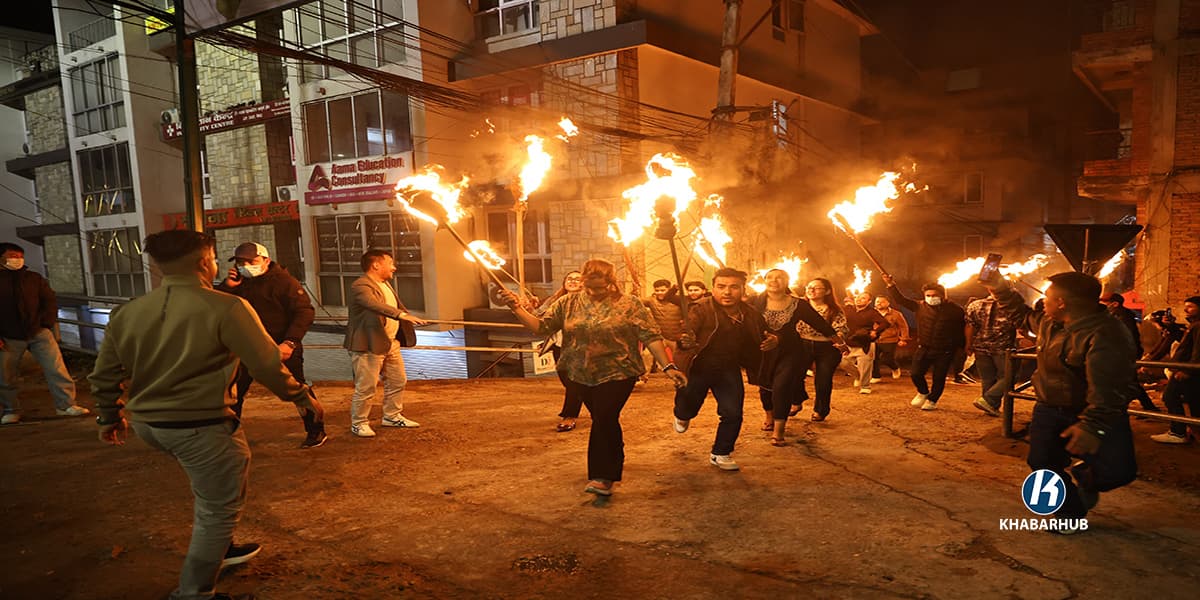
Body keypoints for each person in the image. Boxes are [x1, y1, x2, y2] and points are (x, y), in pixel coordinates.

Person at [89, 229, 325, 599]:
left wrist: (108, 416)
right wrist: (301, 396)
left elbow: (104, 374)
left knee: (210, 489)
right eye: (214, 258)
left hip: (149, 425)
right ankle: (194, 592)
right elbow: (265, 363)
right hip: (200, 426)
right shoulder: (226, 307)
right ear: (204, 262)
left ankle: (222, 548)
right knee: (218, 508)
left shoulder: (127, 312)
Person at [504, 259, 685, 497]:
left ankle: (602, 476)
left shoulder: (630, 304)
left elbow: (650, 336)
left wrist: (668, 366)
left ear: (611, 282)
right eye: (589, 287)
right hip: (579, 373)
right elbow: (541, 327)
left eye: (600, 288)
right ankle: (615, 453)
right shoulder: (567, 302)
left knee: (604, 417)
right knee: (605, 419)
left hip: (619, 371)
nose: (594, 293)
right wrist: (517, 309)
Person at [994, 272, 1137, 530]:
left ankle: (1087, 476)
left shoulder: (1107, 334)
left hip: (1091, 412)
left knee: (1117, 473)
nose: (1043, 302)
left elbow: (1109, 388)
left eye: (1047, 298)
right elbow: (1021, 314)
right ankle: (1069, 513)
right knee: (1042, 464)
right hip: (1048, 409)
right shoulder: (1051, 324)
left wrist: (1092, 426)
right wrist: (998, 287)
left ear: (1062, 302)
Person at [217, 242, 325, 448]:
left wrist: (290, 342)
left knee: (297, 389)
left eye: (251, 261)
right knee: (233, 393)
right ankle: (228, 435)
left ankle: (316, 430)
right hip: (245, 349)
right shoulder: (238, 284)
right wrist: (226, 288)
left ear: (266, 260)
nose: (245, 266)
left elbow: (304, 312)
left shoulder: (285, 282)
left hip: (281, 348)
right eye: (240, 262)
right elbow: (219, 308)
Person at [673, 268, 779, 471]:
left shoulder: (750, 313)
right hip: (698, 367)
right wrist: (685, 340)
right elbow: (686, 332)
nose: (727, 292)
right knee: (688, 407)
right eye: (721, 287)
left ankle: (721, 452)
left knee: (733, 413)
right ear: (713, 288)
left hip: (728, 368)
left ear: (742, 289)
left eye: (733, 287)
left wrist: (774, 340)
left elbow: (768, 333)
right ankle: (682, 414)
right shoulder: (700, 309)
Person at [752, 269, 845, 445]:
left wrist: (839, 343)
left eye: (779, 277)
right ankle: (769, 416)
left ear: (787, 281)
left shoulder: (798, 304)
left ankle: (779, 431)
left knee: (782, 387)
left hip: (790, 351)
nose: (774, 280)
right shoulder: (754, 302)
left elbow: (820, 324)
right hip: (763, 351)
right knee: (765, 385)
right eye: (770, 277)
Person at [1, 242, 89, 424]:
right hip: (7, 335)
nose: (16, 259)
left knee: (56, 368)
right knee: (6, 375)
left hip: (38, 331)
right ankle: (10, 410)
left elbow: (49, 300)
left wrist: (46, 323)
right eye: (12, 256)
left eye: (19, 256)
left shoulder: (33, 278)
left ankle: (66, 405)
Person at [344, 249, 428, 438]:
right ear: (376, 265)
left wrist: (409, 319)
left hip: (391, 342)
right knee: (366, 386)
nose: (394, 267)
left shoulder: (386, 284)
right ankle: (358, 423)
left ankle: (391, 416)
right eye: (390, 263)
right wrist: (403, 315)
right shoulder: (360, 285)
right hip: (368, 345)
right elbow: (372, 304)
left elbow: (394, 307)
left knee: (398, 380)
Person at [883, 274, 966, 411]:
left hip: (945, 350)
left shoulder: (955, 310)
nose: (931, 298)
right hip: (924, 347)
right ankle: (923, 392)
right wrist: (890, 284)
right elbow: (901, 299)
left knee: (938, 377)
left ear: (942, 295)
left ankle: (932, 400)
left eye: (934, 295)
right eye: (928, 295)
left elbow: (961, 330)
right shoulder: (919, 306)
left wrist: (962, 348)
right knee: (915, 373)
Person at [794, 278, 850, 422]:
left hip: (827, 348)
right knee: (793, 374)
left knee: (823, 380)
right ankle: (797, 400)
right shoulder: (799, 306)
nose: (811, 290)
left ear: (827, 291)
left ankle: (821, 410)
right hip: (802, 345)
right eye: (809, 287)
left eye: (817, 288)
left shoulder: (834, 310)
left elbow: (840, 328)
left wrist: (839, 341)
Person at [964, 286, 1024, 417]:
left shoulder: (975, 305)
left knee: (988, 378)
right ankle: (989, 400)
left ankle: (990, 406)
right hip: (1003, 348)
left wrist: (968, 344)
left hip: (980, 346)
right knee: (1010, 376)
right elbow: (1021, 326)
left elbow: (970, 325)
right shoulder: (1011, 308)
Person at [536, 270, 584, 432]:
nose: (573, 281)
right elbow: (539, 317)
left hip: (580, 348)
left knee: (573, 383)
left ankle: (569, 416)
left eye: (578, 279)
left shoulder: (588, 301)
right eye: (570, 279)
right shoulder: (554, 300)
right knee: (568, 382)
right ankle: (595, 403)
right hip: (559, 347)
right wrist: (527, 306)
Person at [1150, 296, 1200, 444]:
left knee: (1170, 397)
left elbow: (1198, 351)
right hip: (1186, 370)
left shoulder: (1198, 326)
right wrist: (1171, 326)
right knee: (1194, 401)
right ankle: (1193, 430)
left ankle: (1178, 432)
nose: (1186, 309)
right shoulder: (1194, 325)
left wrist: (1188, 370)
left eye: (1190, 306)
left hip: (1187, 371)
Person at [1101, 292, 1160, 412]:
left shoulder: (1123, 318)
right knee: (1130, 382)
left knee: (1128, 382)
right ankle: (1148, 408)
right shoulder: (1116, 316)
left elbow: (1127, 338)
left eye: (1105, 303)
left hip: (1124, 355)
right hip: (1122, 355)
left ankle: (1128, 408)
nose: (1102, 306)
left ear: (1115, 304)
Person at [842, 291, 889, 395]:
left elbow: (885, 323)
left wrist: (875, 331)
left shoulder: (872, 312)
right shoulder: (848, 309)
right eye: (858, 297)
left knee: (865, 367)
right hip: (849, 343)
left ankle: (865, 386)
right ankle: (858, 377)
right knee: (843, 363)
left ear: (869, 302)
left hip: (865, 343)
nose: (859, 299)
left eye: (863, 298)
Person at [872, 295, 909, 381]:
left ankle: (895, 368)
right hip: (874, 339)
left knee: (887, 358)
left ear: (888, 303)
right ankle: (876, 376)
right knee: (873, 358)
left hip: (890, 339)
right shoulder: (872, 313)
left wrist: (903, 339)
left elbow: (903, 326)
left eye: (882, 301)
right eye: (877, 301)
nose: (879, 303)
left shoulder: (896, 314)